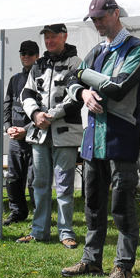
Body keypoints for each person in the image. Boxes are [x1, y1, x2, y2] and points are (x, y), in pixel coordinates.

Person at [62, 0, 140, 278]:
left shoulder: (138, 49)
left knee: (122, 204)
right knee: (93, 203)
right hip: (92, 140)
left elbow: (117, 87)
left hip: (120, 138)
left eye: (101, 17)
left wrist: (82, 74)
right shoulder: (97, 50)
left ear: (115, 14)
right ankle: (91, 260)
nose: (97, 23)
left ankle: (123, 267)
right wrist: (83, 92)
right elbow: (71, 81)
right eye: (94, 19)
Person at [18, 25, 82, 248]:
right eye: (46, 37)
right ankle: (39, 231)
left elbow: (77, 97)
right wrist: (35, 114)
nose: (49, 41)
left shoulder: (76, 63)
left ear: (65, 36)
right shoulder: (38, 64)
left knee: (64, 186)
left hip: (65, 134)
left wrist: (50, 116)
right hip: (39, 134)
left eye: (54, 36)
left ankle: (66, 232)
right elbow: (26, 92)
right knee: (40, 184)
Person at [2, 40, 38, 225]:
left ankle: (39, 214)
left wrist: (27, 130)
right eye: (23, 53)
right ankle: (17, 212)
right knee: (14, 178)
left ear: (37, 56)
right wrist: (8, 127)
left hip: (35, 137)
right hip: (15, 138)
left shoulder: (42, 79)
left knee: (34, 180)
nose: (26, 56)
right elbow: (6, 105)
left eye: (30, 53)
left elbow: (45, 110)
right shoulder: (15, 79)